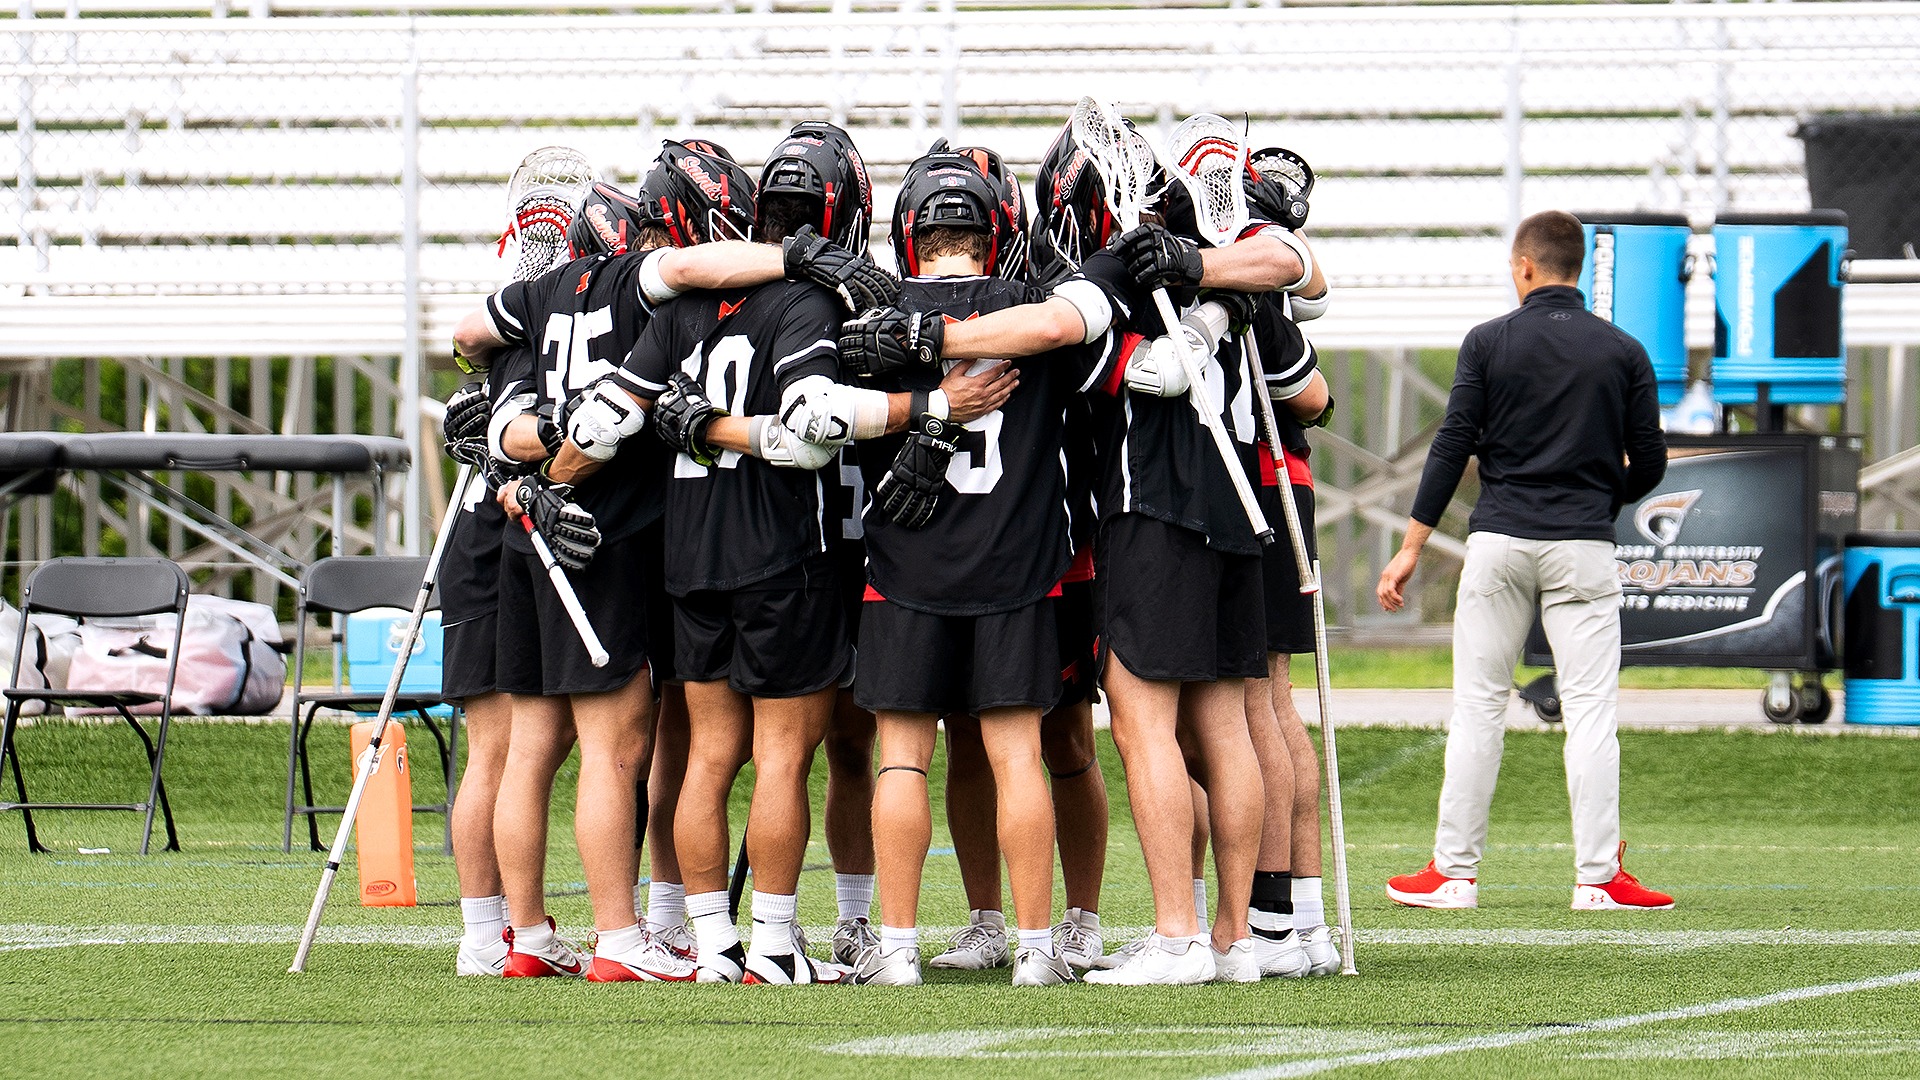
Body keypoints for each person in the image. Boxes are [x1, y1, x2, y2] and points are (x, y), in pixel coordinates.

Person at [545, 122, 1007, 984]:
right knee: (796, 755)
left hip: (692, 554)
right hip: (790, 551)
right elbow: (812, 432)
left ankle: (712, 944)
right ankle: (775, 942)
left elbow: (603, 419)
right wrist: (934, 409)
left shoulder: (679, 306)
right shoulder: (814, 300)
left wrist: (533, 467)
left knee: (711, 756)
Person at [834, 144, 1113, 987]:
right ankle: (1035, 950)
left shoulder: (867, 321)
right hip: (1017, 570)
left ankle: (898, 949)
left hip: (903, 571)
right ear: (998, 225)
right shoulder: (1032, 307)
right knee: (1018, 757)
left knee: (902, 760)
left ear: (907, 228)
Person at [1376, 209, 1673, 912]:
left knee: (1477, 708)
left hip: (1500, 542)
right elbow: (1653, 460)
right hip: (1583, 547)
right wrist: (1603, 499)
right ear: (1578, 270)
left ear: (1524, 267)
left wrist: (1412, 546)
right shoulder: (1622, 351)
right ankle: (1599, 879)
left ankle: (1452, 874)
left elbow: (1452, 446)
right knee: (1592, 711)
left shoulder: (1488, 342)